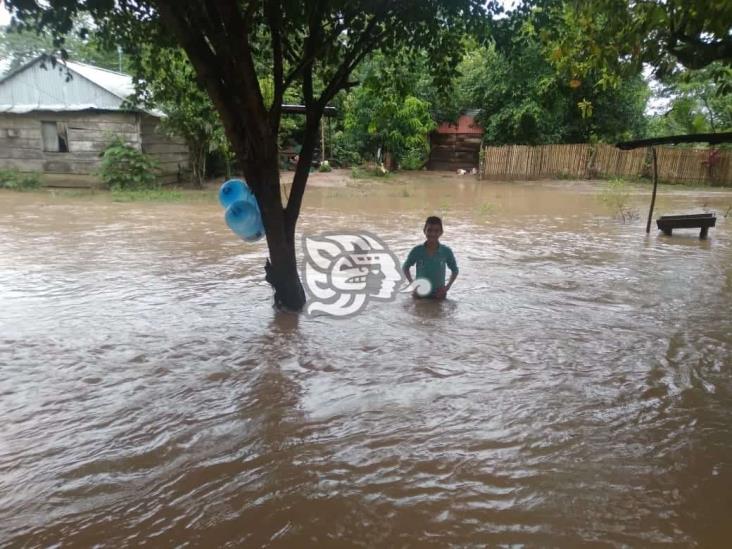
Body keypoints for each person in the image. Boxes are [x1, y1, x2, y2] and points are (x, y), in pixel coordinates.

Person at [402, 216, 459, 299]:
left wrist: (447, 287)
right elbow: (405, 267)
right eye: (429, 230)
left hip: (439, 295)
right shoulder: (417, 250)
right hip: (419, 294)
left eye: (436, 231)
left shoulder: (446, 251)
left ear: (441, 232)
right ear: (424, 231)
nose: (432, 234)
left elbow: (455, 270)